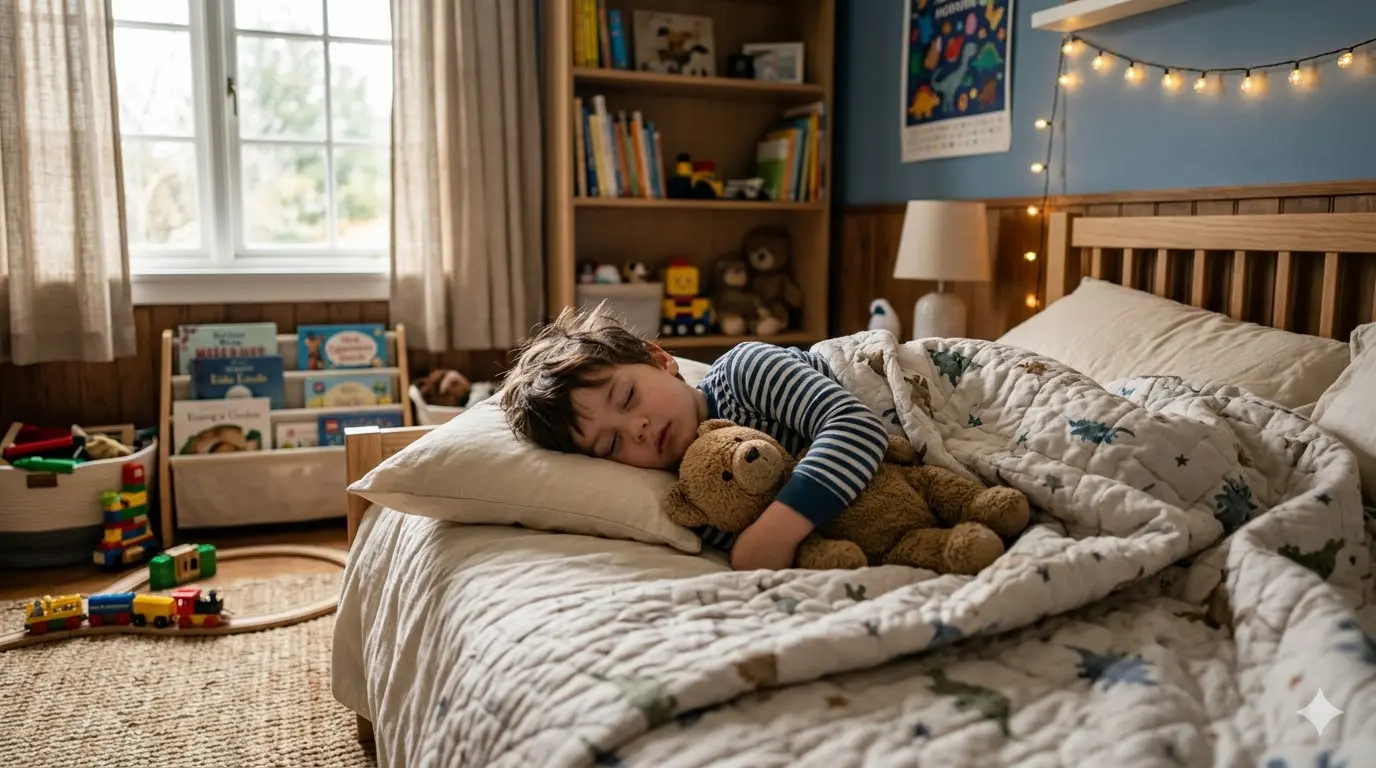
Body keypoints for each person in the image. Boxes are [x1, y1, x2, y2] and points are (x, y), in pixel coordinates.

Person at [500, 302, 890, 571]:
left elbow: (857, 425)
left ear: (660, 359)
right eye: (611, 444)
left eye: (627, 397)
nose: (636, 428)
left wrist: (776, 530)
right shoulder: (691, 493)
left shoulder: (746, 373)